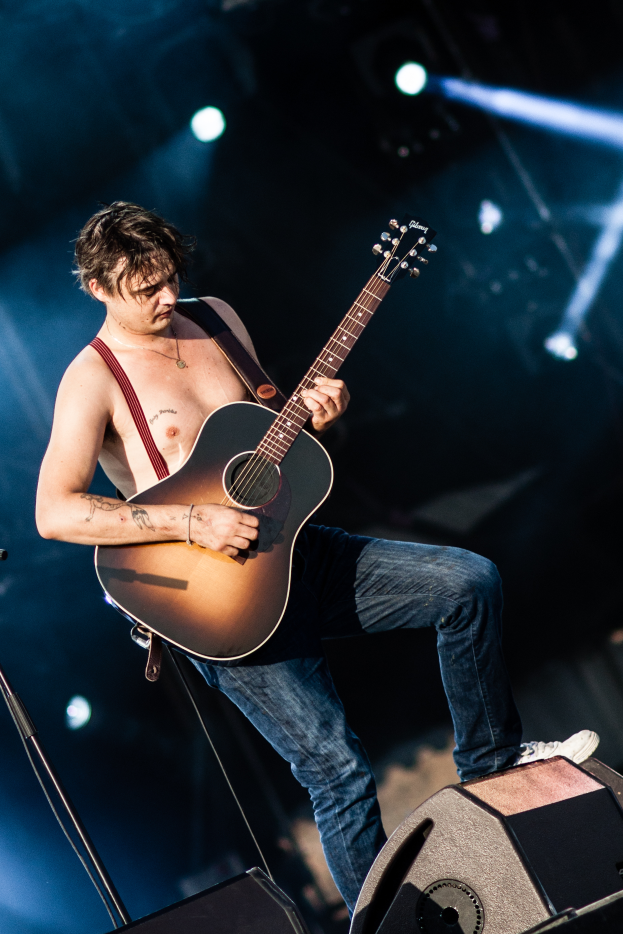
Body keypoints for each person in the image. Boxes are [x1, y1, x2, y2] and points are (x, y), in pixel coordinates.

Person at [35, 202, 599, 915]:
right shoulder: (93, 378)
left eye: (169, 277)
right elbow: (55, 512)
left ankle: (490, 765)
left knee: (467, 581)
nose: (165, 297)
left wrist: (315, 414)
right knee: (335, 768)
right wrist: (191, 519)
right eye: (144, 288)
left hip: (296, 552)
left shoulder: (213, 319)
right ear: (96, 287)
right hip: (215, 598)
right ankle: (388, 928)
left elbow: (263, 438)